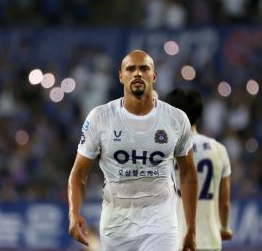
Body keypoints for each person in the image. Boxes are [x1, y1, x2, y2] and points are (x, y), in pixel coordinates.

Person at [68, 50, 199, 251]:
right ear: (121, 76)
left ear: (153, 76)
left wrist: (191, 228)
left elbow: (188, 173)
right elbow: (78, 173)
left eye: (144, 68)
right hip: (116, 226)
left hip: (160, 224)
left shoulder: (176, 118)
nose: (137, 73)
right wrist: (73, 213)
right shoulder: (100, 117)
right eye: (131, 69)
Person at [165, 89, 233, 251]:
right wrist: (224, 227)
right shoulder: (218, 149)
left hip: (175, 241)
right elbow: (224, 202)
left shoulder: (166, 149)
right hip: (209, 240)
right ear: (199, 114)